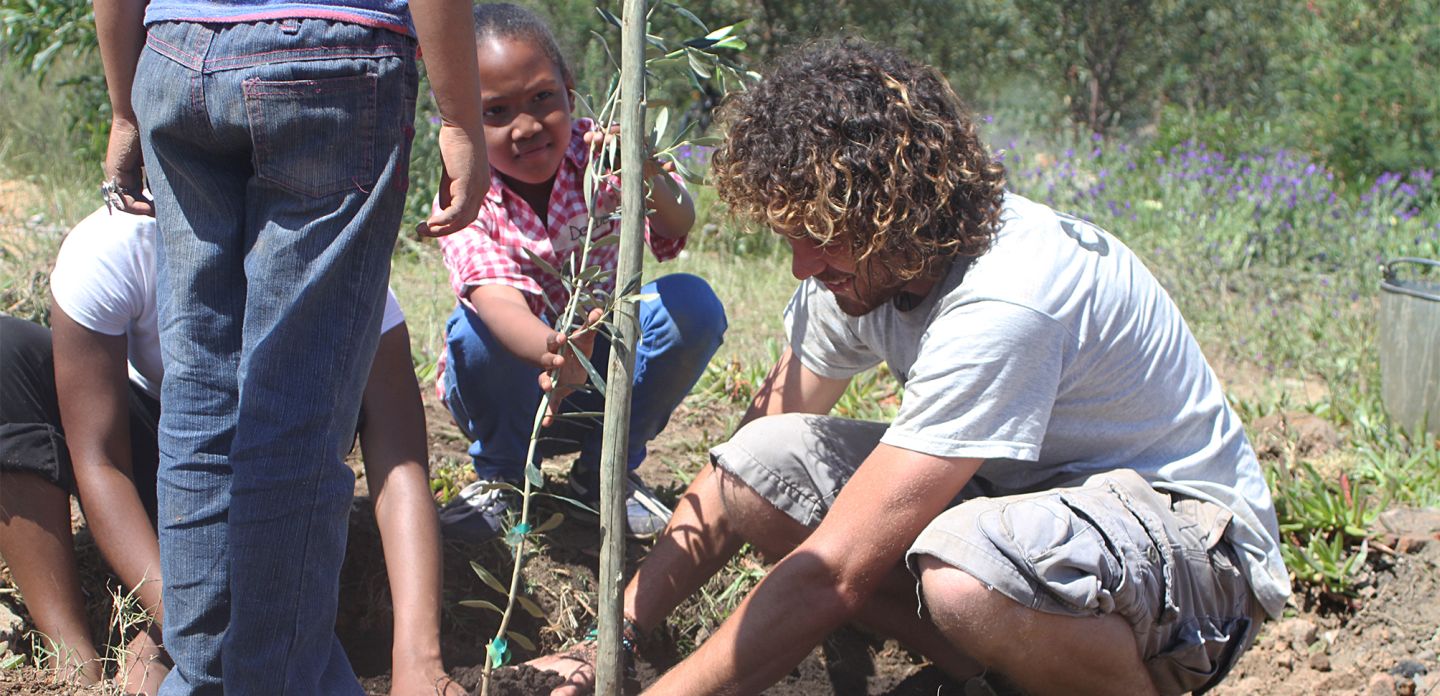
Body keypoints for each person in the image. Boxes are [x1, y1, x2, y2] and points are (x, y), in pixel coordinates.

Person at [530, 39, 1291, 696]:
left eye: (816, 237)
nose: (801, 264)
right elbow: (743, 467)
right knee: (758, 465)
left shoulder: (1008, 300)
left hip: (1193, 558)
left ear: (892, 209)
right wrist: (613, 639)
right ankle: (995, 673)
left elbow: (838, 573)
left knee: (964, 574)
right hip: (1030, 522)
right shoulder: (860, 260)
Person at [92, 0, 487, 689]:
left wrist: (126, 106)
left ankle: (204, 676)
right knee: (295, 406)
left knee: (199, 393)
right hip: (329, 63)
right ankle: (275, 680)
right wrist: (459, 118)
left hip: (176, 56)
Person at [0, 206, 466, 695]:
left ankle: (178, 631)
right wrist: (189, 624)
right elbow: (101, 461)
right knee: (6, 354)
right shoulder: (117, 246)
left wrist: (420, 660)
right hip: (154, 465)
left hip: (279, 489)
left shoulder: (336, 259)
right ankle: (73, 665)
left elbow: (401, 465)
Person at [434, 3, 727, 543]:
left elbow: (678, 219)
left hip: (605, 388)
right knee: (472, 331)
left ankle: (605, 473)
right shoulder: (468, 193)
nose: (525, 127)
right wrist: (557, 350)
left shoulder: (603, 157)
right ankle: (502, 478)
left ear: (569, 89)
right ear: (464, 120)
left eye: (542, 98)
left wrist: (642, 165)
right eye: (495, 112)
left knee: (693, 306)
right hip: (521, 391)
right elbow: (494, 295)